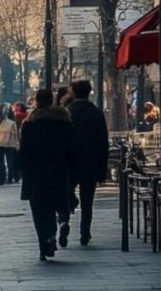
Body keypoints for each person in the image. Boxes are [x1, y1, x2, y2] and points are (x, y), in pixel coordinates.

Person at [20, 89, 75, 261]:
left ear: (37, 101)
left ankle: (44, 243)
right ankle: (60, 224)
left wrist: (20, 168)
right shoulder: (62, 122)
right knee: (54, 203)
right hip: (58, 171)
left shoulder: (30, 124)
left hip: (35, 173)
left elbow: (24, 151)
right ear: (51, 101)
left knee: (39, 210)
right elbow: (70, 147)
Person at [67, 80, 109, 246]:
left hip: (70, 161)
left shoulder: (68, 112)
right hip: (90, 161)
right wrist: (102, 168)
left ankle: (64, 220)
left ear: (74, 93)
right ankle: (85, 231)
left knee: (66, 193)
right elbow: (103, 142)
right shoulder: (96, 113)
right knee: (88, 200)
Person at [0, 107, 20, 185]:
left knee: (7, 161)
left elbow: (15, 135)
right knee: (5, 161)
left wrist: (16, 144)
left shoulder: (7, 123)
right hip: (4, 144)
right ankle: (5, 178)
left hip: (7, 144)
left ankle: (6, 178)